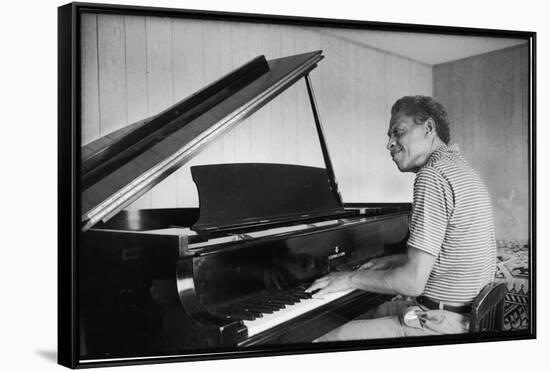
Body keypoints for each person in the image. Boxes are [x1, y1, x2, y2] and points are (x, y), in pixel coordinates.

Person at [308, 95, 497, 340]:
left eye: (398, 132)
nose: (389, 144)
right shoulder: (462, 170)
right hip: (466, 316)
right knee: (361, 312)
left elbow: (412, 284)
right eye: (389, 136)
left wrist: (349, 278)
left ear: (429, 128)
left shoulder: (432, 177)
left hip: (440, 324)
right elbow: (444, 256)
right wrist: (391, 261)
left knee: (319, 337)